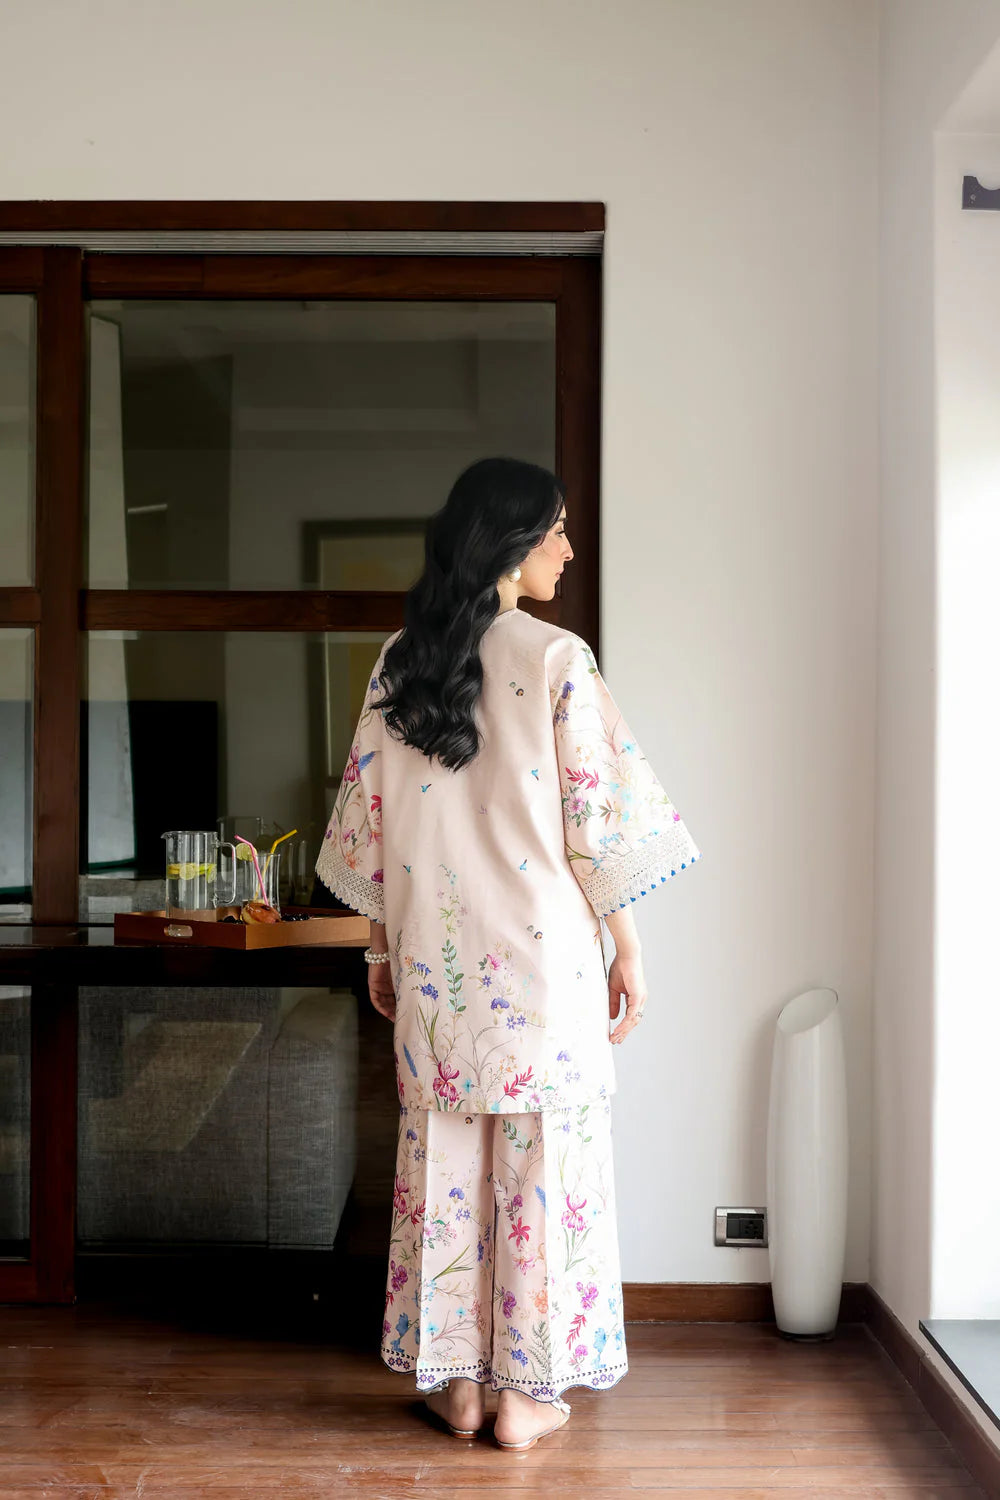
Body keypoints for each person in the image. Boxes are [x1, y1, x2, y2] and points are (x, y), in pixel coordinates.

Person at [315, 457, 701, 1451]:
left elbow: (372, 825)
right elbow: (598, 828)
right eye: (555, 531)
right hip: (542, 970)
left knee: (447, 1168)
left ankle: (457, 1389)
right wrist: (628, 950)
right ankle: (527, 1399)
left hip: (437, 966)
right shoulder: (558, 658)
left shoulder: (400, 661)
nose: (567, 549)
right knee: (542, 1175)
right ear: (510, 542)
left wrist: (379, 949)